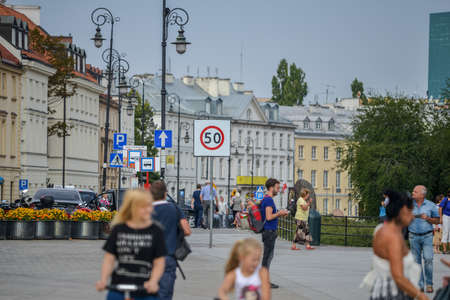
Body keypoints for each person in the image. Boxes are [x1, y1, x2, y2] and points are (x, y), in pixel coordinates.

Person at [96, 189, 167, 300]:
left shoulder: (156, 231)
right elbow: (109, 258)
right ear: (132, 208)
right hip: (119, 287)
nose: (149, 210)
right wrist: (103, 280)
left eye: (149, 206)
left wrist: (153, 281)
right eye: (144, 207)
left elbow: (159, 262)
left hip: (145, 288)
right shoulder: (119, 230)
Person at [361, 190, 429, 300]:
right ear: (402, 211)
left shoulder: (381, 230)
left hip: (383, 291)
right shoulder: (393, 237)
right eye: (410, 211)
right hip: (393, 294)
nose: (412, 217)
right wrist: (421, 296)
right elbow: (398, 276)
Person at [151, 181, 192, 300]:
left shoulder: (145, 209)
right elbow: (187, 230)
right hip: (167, 257)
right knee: (165, 295)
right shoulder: (174, 208)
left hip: (148, 258)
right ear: (165, 193)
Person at [408, 185, 440, 294]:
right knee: (416, 262)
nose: (412, 193)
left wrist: (428, 218)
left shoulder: (431, 205)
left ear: (422, 194)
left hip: (427, 236)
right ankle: (420, 285)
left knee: (428, 260)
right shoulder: (408, 205)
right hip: (413, 236)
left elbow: (437, 221)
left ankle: (429, 284)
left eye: (415, 191)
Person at [260, 178, 289, 289]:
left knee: (268, 256)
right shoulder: (268, 200)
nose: (278, 190)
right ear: (271, 188)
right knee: (267, 257)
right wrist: (279, 213)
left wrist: (279, 213)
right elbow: (268, 217)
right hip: (269, 232)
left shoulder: (266, 199)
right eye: (277, 188)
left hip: (269, 232)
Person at [439, 190, 450, 254]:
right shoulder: (445, 199)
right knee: (446, 232)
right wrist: (441, 218)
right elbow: (440, 208)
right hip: (446, 216)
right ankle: (444, 249)